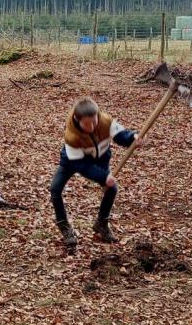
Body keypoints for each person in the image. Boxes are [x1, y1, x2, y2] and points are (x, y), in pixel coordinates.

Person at [49, 96, 139, 246]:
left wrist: (133, 137)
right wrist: (103, 176)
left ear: (97, 115)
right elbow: (81, 165)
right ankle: (65, 227)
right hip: (73, 162)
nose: (91, 126)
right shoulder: (72, 136)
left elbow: (121, 135)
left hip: (100, 159)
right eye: (86, 124)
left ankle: (101, 224)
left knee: (112, 189)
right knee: (55, 189)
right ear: (78, 120)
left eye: (94, 121)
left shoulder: (105, 122)